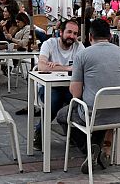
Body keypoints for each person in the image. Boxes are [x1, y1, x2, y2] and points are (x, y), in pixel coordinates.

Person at [57, 18, 120, 172]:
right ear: (110, 36)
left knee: (64, 114)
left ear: (90, 37)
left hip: (94, 114)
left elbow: (76, 94)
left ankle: (88, 149)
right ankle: (97, 149)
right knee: (97, 109)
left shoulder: (83, 55)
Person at [34, 19, 84, 150]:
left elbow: (82, 68)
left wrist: (56, 66)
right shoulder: (49, 44)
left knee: (79, 101)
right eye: (69, 32)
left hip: (70, 87)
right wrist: (68, 68)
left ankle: (74, 133)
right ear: (60, 32)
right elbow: (41, 66)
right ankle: (40, 131)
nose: (72, 36)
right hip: (48, 86)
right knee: (54, 100)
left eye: (75, 33)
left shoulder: (79, 46)